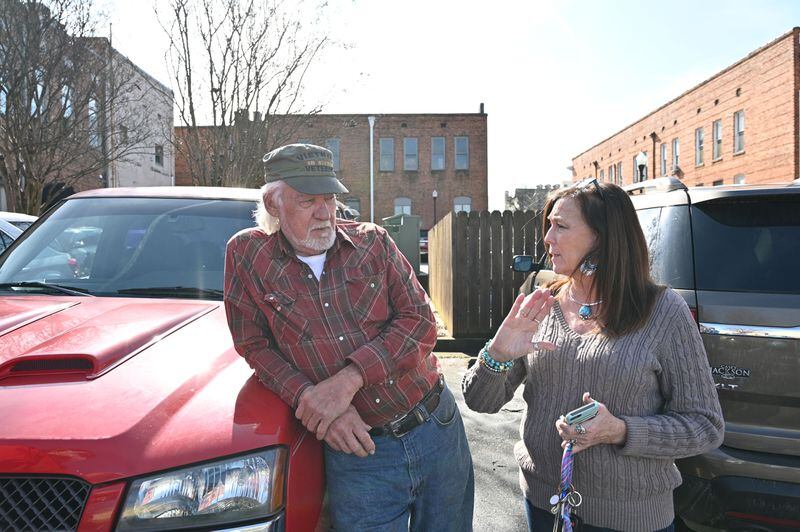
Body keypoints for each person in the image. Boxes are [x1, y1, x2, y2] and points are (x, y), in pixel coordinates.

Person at [224, 143, 474, 532]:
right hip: (357, 452)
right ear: (274, 205)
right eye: (309, 201)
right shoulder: (247, 255)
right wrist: (314, 402)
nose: (326, 213)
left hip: (435, 429)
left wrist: (347, 381)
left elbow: (421, 322)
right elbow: (255, 345)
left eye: (330, 198)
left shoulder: (373, 243)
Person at [462, 178, 724, 532]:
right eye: (548, 226)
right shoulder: (541, 303)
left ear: (603, 236)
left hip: (633, 519)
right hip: (544, 507)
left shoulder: (663, 311)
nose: (547, 238)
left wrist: (618, 430)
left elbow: (705, 426)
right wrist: (497, 354)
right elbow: (480, 401)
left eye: (561, 226)